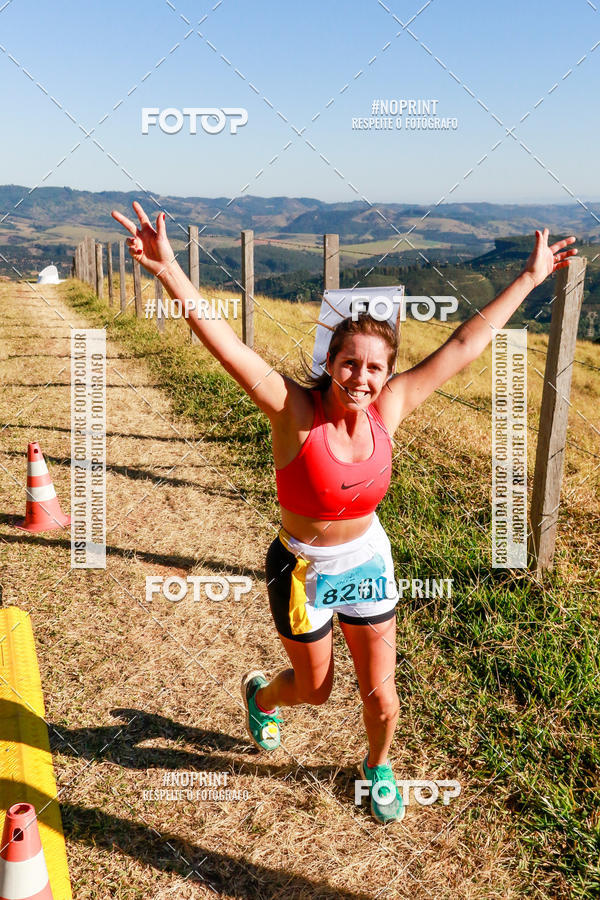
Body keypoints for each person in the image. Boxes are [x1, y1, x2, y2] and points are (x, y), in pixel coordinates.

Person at [111, 203, 577, 824]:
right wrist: (169, 269)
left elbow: (466, 343)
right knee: (315, 690)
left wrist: (530, 277)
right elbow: (226, 344)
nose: (361, 376)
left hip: (368, 563)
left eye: (375, 367)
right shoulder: (293, 411)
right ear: (330, 363)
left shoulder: (392, 406)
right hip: (302, 570)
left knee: (382, 698)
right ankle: (263, 696)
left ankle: (376, 766)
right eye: (350, 362)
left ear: (387, 373)